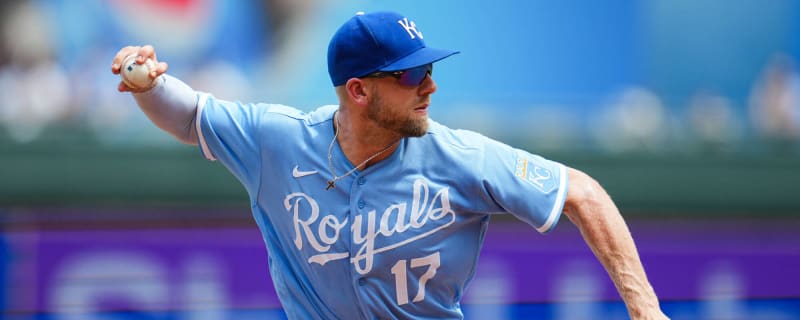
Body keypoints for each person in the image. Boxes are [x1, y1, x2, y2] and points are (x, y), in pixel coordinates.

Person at [111, 11, 668, 320]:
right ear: (358, 90)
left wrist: (645, 308)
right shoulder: (276, 140)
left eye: (427, 70)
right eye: (408, 76)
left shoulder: (460, 157)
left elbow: (582, 192)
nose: (429, 86)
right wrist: (147, 81)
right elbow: (187, 114)